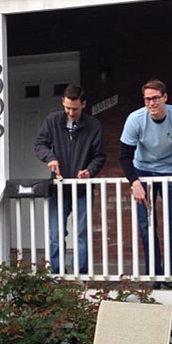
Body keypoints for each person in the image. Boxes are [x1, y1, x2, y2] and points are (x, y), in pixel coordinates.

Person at [119, 79, 172, 286]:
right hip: (142, 171)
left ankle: (171, 275)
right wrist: (134, 182)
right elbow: (124, 156)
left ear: (165, 97)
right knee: (146, 224)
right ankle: (154, 274)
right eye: (147, 99)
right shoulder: (135, 119)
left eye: (155, 98)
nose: (151, 103)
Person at [34, 85, 106, 274]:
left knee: (82, 232)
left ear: (83, 104)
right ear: (63, 104)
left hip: (83, 188)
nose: (71, 112)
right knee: (55, 233)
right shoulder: (53, 120)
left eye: (74, 108)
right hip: (58, 187)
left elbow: (100, 156)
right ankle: (56, 272)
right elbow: (40, 144)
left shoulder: (93, 125)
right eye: (67, 108)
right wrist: (50, 158)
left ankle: (79, 272)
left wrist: (89, 171)